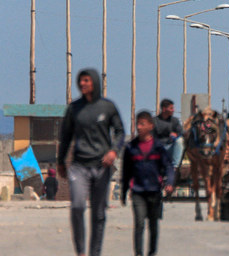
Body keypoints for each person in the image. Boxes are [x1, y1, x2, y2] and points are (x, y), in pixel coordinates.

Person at [58, 68, 125, 256]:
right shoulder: (74, 108)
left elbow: (120, 132)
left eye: (86, 80)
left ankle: (95, 252)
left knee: (98, 213)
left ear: (94, 82)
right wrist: (61, 161)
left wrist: (114, 151)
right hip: (79, 166)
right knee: (77, 206)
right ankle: (80, 251)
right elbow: (66, 136)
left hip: (102, 167)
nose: (82, 84)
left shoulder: (107, 107)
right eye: (80, 81)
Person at [121, 111, 175, 256]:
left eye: (142, 124)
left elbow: (168, 166)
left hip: (154, 192)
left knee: (153, 225)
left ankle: (152, 252)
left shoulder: (158, 147)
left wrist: (169, 182)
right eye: (137, 124)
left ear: (150, 126)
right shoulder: (131, 148)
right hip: (138, 191)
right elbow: (126, 172)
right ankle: (138, 253)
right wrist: (123, 192)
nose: (138, 127)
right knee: (139, 223)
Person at [153, 99, 184, 168]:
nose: (173, 110)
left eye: (173, 108)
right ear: (164, 109)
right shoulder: (154, 121)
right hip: (158, 149)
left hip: (171, 148)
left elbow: (181, 132)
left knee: (180, 140)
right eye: (171, 108)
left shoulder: (175, 120)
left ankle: (175, 167)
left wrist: (176, 134)